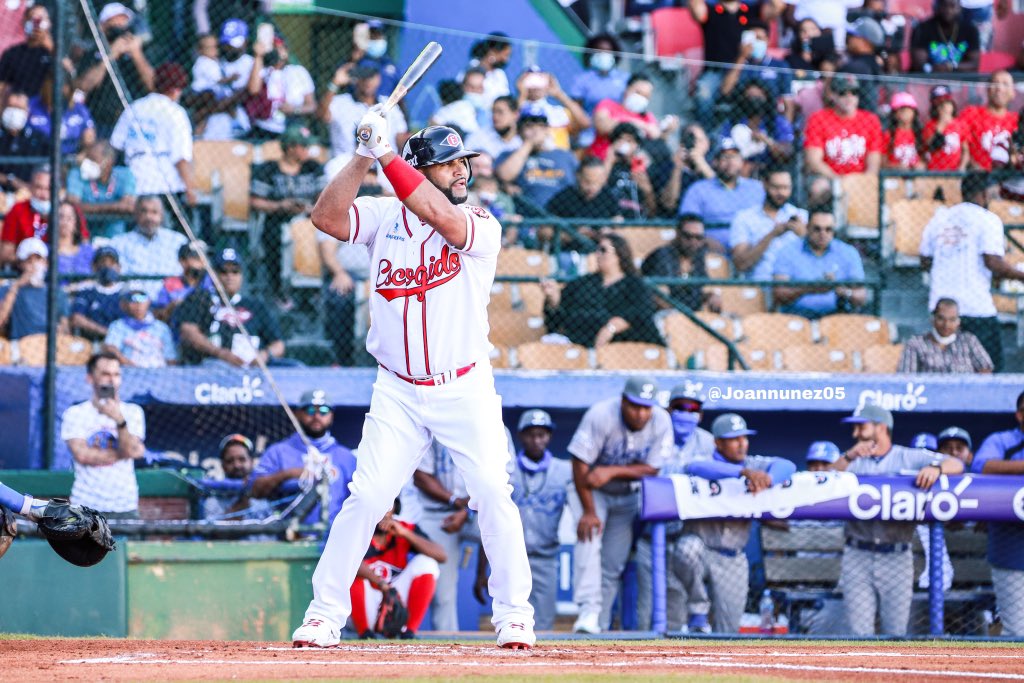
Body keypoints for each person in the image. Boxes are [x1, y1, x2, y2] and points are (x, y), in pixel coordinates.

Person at [290, 119, 537, 649]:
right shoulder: (384, 216)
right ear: (421, 169)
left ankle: (514, 615)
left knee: (492, 491)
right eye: (449, 163)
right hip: (398, 389)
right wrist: (363, 155)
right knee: (366, 497)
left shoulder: (479, 221)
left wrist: (386, 156)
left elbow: (439, 216)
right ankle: (324, 615)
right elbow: (326, 217)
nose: (462, 170)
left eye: (463, 161)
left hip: (464, 384)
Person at [831, 403, 964, 635]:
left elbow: (957, 464)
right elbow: (823, 479)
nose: (855, 434)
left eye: (861, 427)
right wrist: (849, 456)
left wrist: (935, 468)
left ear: (881, 428)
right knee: (858, 635)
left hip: (897, 555)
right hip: (857, 554)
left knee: (896, 633)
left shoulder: (908, 456)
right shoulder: (852, 460)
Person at [674, 412, 796, 633]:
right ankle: (698, 609)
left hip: (732, 556)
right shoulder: (705, 458)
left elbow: (787, 465)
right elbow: (696, 467)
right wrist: (743, 473)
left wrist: (768, 480)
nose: (742, 444)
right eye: (734, 439)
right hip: (701, 549)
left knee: (728, 632)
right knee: (686, 548)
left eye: (744, 438)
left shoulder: (754, 464)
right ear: (718, 443)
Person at [568, 377, 673, 634]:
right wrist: (589, 511)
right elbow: (580, 465)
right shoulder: (601, 415)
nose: (641, 414)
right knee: (589, 542)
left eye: (646, 407)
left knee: (613, 562)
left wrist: (611, 471)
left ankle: (600, 622)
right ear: (623, 401)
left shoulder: (661, 420)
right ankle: (588, 611)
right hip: (590, 490)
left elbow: (653, 468)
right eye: (635, 406)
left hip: (626, 495)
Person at [476, 410, 572, 632]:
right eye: (531, 434)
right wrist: (481, 570)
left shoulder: (564, 470)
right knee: (509, 620)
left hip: (545, 557)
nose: (536, 440)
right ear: (521, 436)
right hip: (509, 557)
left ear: (549, 436)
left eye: (542, 434)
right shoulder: (506, 471)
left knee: (544, 624)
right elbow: (491, 519)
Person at [920, 172, 1024, 372]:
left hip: (942, 308)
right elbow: (993, 262)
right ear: (983, 193)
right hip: (975, 308)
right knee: (989, 369)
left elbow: (925, 261)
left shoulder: (939, 219)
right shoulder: (988, 219)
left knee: (947, 369)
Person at [635, 384, 716, 632]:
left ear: (700, 414)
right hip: (649, 534)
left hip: (687, 531)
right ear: (669, 410)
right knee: (647, 611)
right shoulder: (652, 436)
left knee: (689, 553)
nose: (686, 413)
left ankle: (699, 613)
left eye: (693, 409)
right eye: (680, 407)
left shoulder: (709, 443)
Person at [60, 351, 147, 518]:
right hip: (86, 504)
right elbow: (83, 456)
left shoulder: (133, 412)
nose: (112, 380)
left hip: (124, 504)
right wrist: (124, 453)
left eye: (116, 374)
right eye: (105, 374)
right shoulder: (75, 413)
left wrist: (119, 419)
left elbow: (130, 450)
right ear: (90, 378)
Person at [251, 389, 357, 525]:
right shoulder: (278, 451)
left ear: (331, 415)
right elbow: (255, 491)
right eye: (310, 410)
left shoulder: (346, 457)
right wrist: (287, 474)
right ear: (298, 414)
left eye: (324, 411)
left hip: (334, 534)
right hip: (286, 533)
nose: (317, 416)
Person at [412, 437, 486, 632]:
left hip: (481, 509)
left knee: (508, 530)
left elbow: (504, 479)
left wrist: (467, 510)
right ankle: (448, 641)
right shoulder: (433, 425)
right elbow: (420, 476)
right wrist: (455, 501)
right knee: (442, 593)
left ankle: (512, 622)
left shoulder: (495, 426)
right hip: (438, 513)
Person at [543, 233, 663, 348]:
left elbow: (641, 314)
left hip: (623, 343)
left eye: (603, 250)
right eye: (597, 250)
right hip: (579, 343)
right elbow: (560, 316)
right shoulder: (583, 283)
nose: (597, 254)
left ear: (619, 254)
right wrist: (553, 299)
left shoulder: (635, 285)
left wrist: (611, 328)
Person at [249, 123, 325, 303]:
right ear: (290, 148)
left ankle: (313, 289)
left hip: (309, 218)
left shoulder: (313, 167)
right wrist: (280, 205)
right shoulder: (268, 169)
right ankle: (277, 289)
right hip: (279, 218)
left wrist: (309, 208)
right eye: (303, 146)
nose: (308, 150)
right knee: (273, 234)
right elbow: (254, 201)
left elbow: (323, 196)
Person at [350, 498, 446, 639]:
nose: (383, 512)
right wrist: (381, 584)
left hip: (395, 599)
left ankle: (409, 632)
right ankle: (364, 633)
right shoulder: (356, 529)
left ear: (396, 508)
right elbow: (349, 562)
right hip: (366, 604)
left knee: (427, 563)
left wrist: (405, 533)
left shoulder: (403, 528)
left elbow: (442, 556)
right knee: (349, 572)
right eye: (379, 505)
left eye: (388, 506)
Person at [969, 391, 1024, 637]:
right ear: (1020, 415)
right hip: (1011, 551)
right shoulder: (1003, 440)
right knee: (1017, 630)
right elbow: (981, 465)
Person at [177, 247, 286, 367]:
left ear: (241, 276)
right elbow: (188, 332)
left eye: (235, 271)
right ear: (214, 275)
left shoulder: (255, 306)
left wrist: (264, 355)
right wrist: (220, 354)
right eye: (223, 272)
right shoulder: (200, 299)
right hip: (212, 365)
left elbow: (278, 345)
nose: (230, 276)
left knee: (295, 366)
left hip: (252, 367)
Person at [110, 63, 197, 203]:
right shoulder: (176, 112)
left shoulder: (134, 107)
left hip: (133, 182)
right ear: (175, 90)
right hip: (164, 185)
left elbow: (115, 144)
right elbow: (180, 157)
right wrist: (190, 189)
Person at [689, 0, 781, 129]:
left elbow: (777, 6)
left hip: (746, 71)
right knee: (703, 93)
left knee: (759, 94)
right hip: (716, 72)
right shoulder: (711, 10)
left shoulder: (752, 10)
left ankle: (767, 132)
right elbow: (696, 8)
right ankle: (705, 134)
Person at [75, 2, 154, 137]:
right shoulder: (93, 54)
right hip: (101, 122)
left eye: (125, 21)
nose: (122, 26)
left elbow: (152, 85)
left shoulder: (140, 53)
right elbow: (83, 86)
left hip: (134, 122)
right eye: (117, 21)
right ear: (103, 26)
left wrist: (136, 54)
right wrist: (110, 55)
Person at [772, 208, 867, 319]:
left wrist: (843, 291)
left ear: (834, 231)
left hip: (837, 318)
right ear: (807, 228)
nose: (823, 234)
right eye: (817, 229)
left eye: (828, 229)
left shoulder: (848, 252)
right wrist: (810, 288)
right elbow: (779, 294)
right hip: (797, 318)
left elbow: (861, 297)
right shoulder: (788, 251)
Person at [678, 138, 766, 250]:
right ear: (715, 162)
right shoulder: (698, 189)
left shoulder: (757, 188)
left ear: (742, 161)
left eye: (734, 157)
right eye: (724, 157)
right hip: (711, 251)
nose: (730, 162)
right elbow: (687, 224)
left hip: (753, 250)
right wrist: (707, 242)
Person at [730, 168, 807, 280]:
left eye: (786, 188)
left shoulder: (802, 216)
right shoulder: (744, 218)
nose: (781, 193)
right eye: (776, 187)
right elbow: (741, 265)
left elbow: (819, 259)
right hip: (759, 284)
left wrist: (803, 235)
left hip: (795, 284)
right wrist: (772, 235)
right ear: (765, 185)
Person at [496, 110, 578, 213]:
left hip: (561, 216)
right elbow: (505, 175)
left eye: (541, 126)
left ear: (547, 130)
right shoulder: (509, 155)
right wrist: (529, 144)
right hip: (526, 216)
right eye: (529, 126)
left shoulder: (565, 156)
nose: (536, 131)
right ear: (519, 131)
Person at [320, 64, 408, 159]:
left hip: (383, 163)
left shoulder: (389, 104)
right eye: (364, 76)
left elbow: (400, 136)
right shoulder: (341, 102)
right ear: (356, 79)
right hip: (346, 162)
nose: (368, 81)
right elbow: (322, 115)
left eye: (371, 76)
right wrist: (335, 84)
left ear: (378, 78)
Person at [804, 75, 884, 178]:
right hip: (828, 177)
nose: (849, 98)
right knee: (820, 186)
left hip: (860, 179)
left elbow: (873, 163)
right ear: (833, 95)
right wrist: (838, 181)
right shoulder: (818, 119)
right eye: (843, 93)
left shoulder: (871, 120)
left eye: (854, 92)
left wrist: (865, 181)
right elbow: (814, 161)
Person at [110, 196, 189, 299]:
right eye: (144, 211)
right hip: (133, 300)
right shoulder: (119, 243)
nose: (149, 217)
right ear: (136, 214)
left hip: (171, 299)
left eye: (154, 212)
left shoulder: (177, 241)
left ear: (161, 215)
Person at [642, 214, 720, 313]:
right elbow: (659, 297)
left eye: (698, 237)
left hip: (692, 314)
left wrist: (711, 296)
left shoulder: (698, 258)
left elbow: (701, 290)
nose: (693, 242)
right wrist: (681, 317)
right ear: (678, 234)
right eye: (688, 237)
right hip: (664, 314)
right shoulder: (662, 256)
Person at [246, 33, 316, 139]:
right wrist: (258, 56)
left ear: (286, 51)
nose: (277, 52)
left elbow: (312, 106)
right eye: (273, 48)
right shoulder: (262, 69)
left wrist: (294, 109)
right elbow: (253, 90)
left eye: (280, 48)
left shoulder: (298, 71)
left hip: (292, 126)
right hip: (264, 127)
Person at [897, 298, 993, 373]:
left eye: (952, 320)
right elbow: (906, 376)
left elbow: (985, 368)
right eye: (941, 319)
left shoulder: (969, 340)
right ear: (933, 319)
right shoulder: (916, 344)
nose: (946, 325)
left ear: (958, 322)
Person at [66, 140, 137, 239]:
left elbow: (129, 206)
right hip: (84, 238)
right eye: (87, 159)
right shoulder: (77, 173)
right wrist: (115, 206)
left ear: (108, 162)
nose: (88, 164)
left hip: (116, 238)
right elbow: (73, 206)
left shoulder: (125, 174)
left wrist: (89, 207)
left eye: (93, 160)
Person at [0, 237, 68, 339]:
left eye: (38, 259)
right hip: (22, 344)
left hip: (49, 341)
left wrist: (60, 330)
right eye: (28, 260)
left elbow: (65, 327)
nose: (34, 265)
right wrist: (17, 286)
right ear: (20, 264)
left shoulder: (57, 292)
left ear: (46, 263)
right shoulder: (8, 289)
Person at [722, 79, 795, 175]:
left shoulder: (778, 122)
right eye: (750, 97)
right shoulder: (732, 121)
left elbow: (786, 154)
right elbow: (726, 150)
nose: (754, 101)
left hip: (770, 169)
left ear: (767, 98)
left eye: (759, 97)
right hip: (739, 169)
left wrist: (767, 141)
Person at [719, 21, 793, 114]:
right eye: (752, 39)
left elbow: (788, 102)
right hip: (740, 116)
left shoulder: (780, 65)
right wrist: (742, 57)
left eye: (759, 38)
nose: (754, 43)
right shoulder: (735, 64)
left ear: (767, 41)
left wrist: (786, 123)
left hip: (770, 116)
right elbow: (725, 91)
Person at [589, 75, 666, 161]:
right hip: (599, 160)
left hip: (629, 164)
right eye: (638, 92)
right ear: (627, 89)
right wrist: (636, 123)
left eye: (646, 96)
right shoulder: (607, 105)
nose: (641, 98)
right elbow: (602, 127)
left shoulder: (647, 116)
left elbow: (655, 134)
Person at [515, 66, 590, 150]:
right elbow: (511, 125)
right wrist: (522, 95)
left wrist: (559, 94)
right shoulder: (517, 109)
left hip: (558, 155)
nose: (535, 86)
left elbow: (584, 123)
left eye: (540, 79)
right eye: (530, 80)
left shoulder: (558, 112)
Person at [201, 434, 271, 522]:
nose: (237, 465)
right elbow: (220, 529)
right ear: (223, 466)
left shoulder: (265, 497)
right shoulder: (213, 501)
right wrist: (246, 495)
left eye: (242, 459)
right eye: (230, 461)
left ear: (251, 462)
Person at [26, 69, 95, 157]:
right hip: (38, 156)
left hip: (70, 158)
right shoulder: (32, 105)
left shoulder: (79, 109)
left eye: (66, 85)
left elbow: (89, 137)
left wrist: (83, 153)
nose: (61, 90)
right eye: (55, 85)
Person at [0, 163, 57, 267]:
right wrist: (27, 261)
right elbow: (6, 253)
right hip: (22, 269)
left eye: (48, 189)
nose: (43, 194)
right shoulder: (17, 210)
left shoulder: (64, 212)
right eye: (39, 187)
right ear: (30, 187)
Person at [103, 289, 177, 368]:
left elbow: (170, 356)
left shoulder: (161, 328)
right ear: (125, 305)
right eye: (133, 301)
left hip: (158, 369)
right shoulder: (118, 326)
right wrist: (127, 363)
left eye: (142, 301)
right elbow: (110, 347)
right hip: (129, 369)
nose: (138, 305)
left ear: (148, 303)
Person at [960, 71, 1018, 171]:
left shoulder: (1018, 120)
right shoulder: (971, 113)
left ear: (1013, 93)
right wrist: (976, 169)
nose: (999, 88)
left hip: (1010, 176)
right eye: (995, 83)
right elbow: (960, 145)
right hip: (975, 175)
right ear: (988, 89)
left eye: (1005, 84)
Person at [0, 3, 53, 104]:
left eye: (41, 19)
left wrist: (51, 48)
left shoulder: (54, 54)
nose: (37, 24)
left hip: (42, 107)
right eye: (33, 18)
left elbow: (66, 90)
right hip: (15, 104)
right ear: (25, 21)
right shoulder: (12, 53)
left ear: (49, 23)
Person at [911, 0, 981, 73]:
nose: (948, 10)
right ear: (937, 7)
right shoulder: (922, 28)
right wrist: (932, 68)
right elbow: (919, 64)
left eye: (952, 6)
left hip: (959, 78)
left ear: (960, 8)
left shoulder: (970, 30)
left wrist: (951, 66)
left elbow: (974, 65)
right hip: (928, 78)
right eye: (944, 6)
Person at [70, 246, 124, 340]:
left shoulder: (125, 291)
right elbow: (77, 319)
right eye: (103, 262)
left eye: (111, 263)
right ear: (94, 267)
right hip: (93, 340)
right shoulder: (87, 291)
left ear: (119, 267)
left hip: (122, 340)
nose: (107, 266)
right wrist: (106, 333)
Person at [570, 34, 630, 116]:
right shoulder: (582, 79)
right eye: (599, 50)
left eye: (608, 50)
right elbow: (576, 107)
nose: (603, 54)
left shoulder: (625, 78)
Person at [0, 91, 47, 193]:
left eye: (19, 108)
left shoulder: (38, 138)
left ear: (27, 111)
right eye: (11, 107)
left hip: (29, 191)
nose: (14, 113)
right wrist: (11, 181)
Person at [152, 243, 208, 325]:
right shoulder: (170, 284)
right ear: (182, 261)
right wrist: (172, 306)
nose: (203, 261)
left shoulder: (213, 282)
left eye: (205, 257)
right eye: (197, 258)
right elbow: (158, 316)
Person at [922, 85, 969, 172]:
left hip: (954, 171)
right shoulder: (930, 125)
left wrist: (962, 166)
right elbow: (930, 146)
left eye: (946, 102)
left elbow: (965, 150)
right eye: (940, 104)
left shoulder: (960, 124)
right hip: (934, 170)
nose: (944, 106)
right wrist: (941, 125)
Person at [465, 95, 522, 160]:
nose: (495, 116)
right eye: (493, 112)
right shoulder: (478, 137)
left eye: (500, 112)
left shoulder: (520, 142)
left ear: (515, 115)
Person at [884, 92, 925, 170]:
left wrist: (921, 165)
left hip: (916, 175)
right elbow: (882, 163)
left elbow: (926, 158)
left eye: (909, 110)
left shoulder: (919, 133)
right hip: (895, 175)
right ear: (895, 114)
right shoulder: (889, 134)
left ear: (914, 113)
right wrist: (896, 167)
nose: (906, 113)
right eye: (902, 110)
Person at [54, 201, 94, 277]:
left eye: (69, 218)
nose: (65, 222)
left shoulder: (87, 250)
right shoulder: (46, 251)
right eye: (60, 217)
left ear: (76, 223)